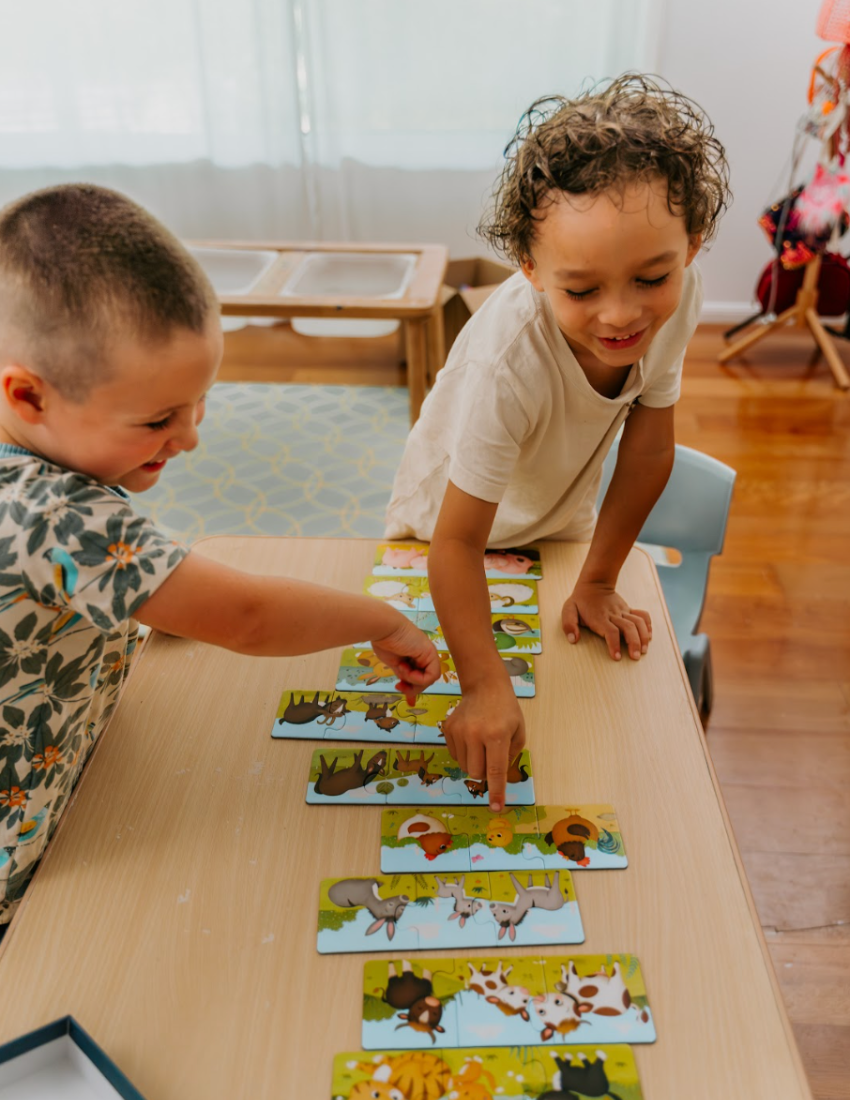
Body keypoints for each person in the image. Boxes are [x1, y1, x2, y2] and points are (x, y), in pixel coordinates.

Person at [0, 183, 440, 932]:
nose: (191, 438)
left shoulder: (43, 464)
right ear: (29, 397)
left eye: (200, 403)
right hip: (24, 844)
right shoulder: (53, 515)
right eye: (157, 419)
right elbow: (249, 617)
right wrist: (383, 620)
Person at [384, 74, 731, 811]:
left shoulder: (680, 298)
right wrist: (482, 683)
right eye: (580, 291)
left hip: (557, 518)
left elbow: (646, 444)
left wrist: (600, 579)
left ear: (691, 247)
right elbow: (454, 546)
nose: (621, 314)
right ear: (531, 270)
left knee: (579, 725)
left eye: (652, 276)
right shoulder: (509, 358)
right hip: (443, 531)